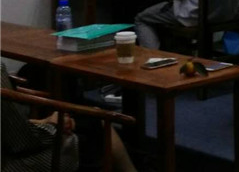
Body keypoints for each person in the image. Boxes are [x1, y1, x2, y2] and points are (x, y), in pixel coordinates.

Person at [1, 63, 137, 172]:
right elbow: (20, 141)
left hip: (15, 141)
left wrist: (43, 121)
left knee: (88, 117)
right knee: (96, 121)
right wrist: (52, 125)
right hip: (14, 161)